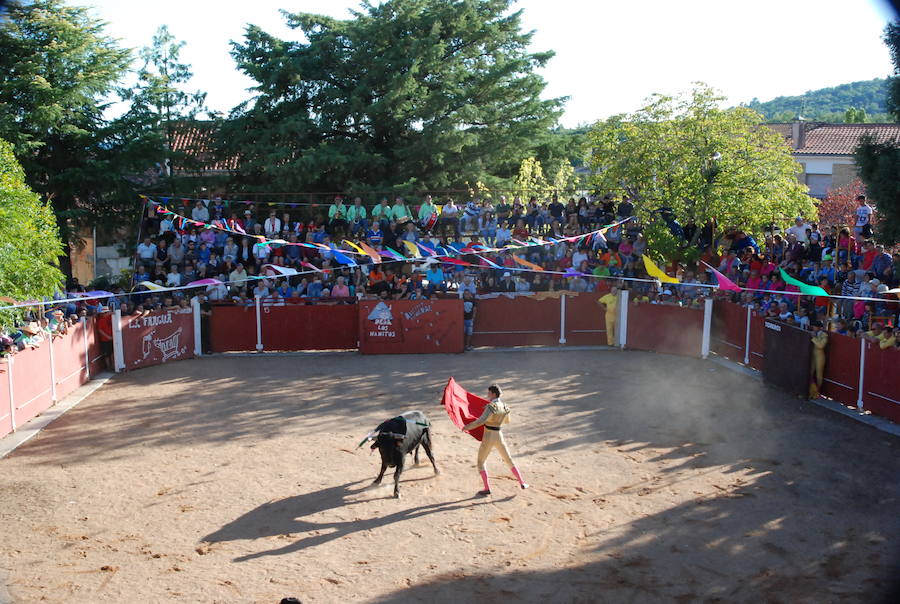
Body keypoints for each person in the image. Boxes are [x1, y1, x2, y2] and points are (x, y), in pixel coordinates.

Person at [461, 384, 528, 496]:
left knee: (481, 462)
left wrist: (467, 426)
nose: (487, 395)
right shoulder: (505, 407)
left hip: (489, 436)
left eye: (489, 393)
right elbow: (507, 421)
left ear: (493, 393)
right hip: (499, 435)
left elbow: (480, 421)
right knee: (508, 459)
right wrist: (497, 419)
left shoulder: (491, 406)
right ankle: (522, 482)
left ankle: (487, 488)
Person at [809, 320, 828, 398]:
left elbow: (821, 346)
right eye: (813, 326)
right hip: (812, 355)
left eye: (815, 326)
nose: (813, 328)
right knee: (809, 372)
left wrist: (813, 338)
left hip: (820, 356)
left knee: (819, 375)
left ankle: (817, 392)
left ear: (819, 328)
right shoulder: (812, 333)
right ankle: (811, 390)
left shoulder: (824, 335)